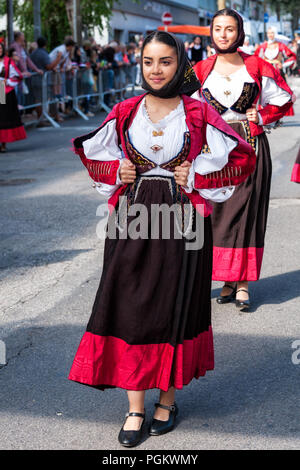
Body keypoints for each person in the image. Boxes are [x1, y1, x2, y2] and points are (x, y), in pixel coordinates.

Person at [68, 31, 256, 447]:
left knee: (175, 302)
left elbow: (241, 157)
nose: (156, 70)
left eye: (165, 62)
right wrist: (117, 172)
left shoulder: (199, 113)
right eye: (149, 62)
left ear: (180, 64)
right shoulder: (125, 110)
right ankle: (135, 407)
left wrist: (200, 175)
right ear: (141, 65)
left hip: (184, 220)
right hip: (132, 218)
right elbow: (90, 153)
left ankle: (166, 401)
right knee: (130, 303)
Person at [193, 9, 295, 310]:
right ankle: (225, 279)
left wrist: (261, 115)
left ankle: (242, 283)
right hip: (211, 152)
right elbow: (183, 106)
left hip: (248, 147)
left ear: (240, 33)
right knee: (217, 213)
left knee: (247, 213)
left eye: (230, 29)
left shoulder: (258, 65)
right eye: (218, 28)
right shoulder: (198, 69)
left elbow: (284, 97)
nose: (223, 34)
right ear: (211, 32)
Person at [30, 36, 63, 124]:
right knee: (40, 99)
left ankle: (44, 118)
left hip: (36, 79)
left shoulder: (34, 53)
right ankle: (42, 119)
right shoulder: (42, 53)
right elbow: (48, 66)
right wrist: (58, 58)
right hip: (40, 80)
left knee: (40, 99)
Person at [0, 43, 26, 152]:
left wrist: (8, 81)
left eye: (0, 48)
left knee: (2, 117)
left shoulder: (8, 61)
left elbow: (18, 76)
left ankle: (3, 144)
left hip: (2, 89)